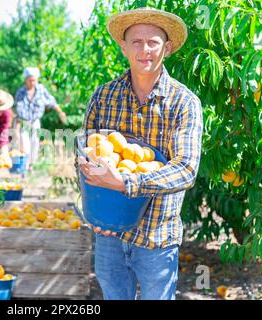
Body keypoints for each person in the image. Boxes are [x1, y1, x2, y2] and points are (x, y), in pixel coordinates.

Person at [79, 7, 203, 300]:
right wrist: (94, 210)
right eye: (136, 41)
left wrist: (125, 184)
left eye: (153, 42)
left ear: (167, 48)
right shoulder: (104, 96)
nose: (144, 49)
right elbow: (83, 156)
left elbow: (186, 168)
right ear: (123, 47)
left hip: (157, 236)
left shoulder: (185, 102)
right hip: (109, 233)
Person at [15, 67, 67, 171]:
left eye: (34, 80)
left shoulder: (41, 90)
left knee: (35, 144)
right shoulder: (20, 93)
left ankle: (31, 166)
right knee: (24, 145)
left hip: (35, 122)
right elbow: (18, 112)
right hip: (24, 122)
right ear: (26, 80)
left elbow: (51, 102)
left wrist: (60, 112)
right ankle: (23, 169)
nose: (32, 82)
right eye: (30, 80)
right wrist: (17, 128)